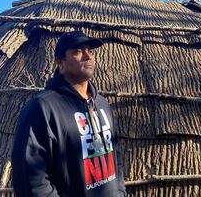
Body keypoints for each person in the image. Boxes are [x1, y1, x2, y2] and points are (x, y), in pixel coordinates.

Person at [11, 31, 127, 196]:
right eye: (78, 52)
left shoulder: (102, 104)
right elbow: (30, 181)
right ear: (60, 62)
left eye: (90, 51)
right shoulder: (43, 108)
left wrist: (120, 191)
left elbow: (115, 154)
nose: (88, 56)